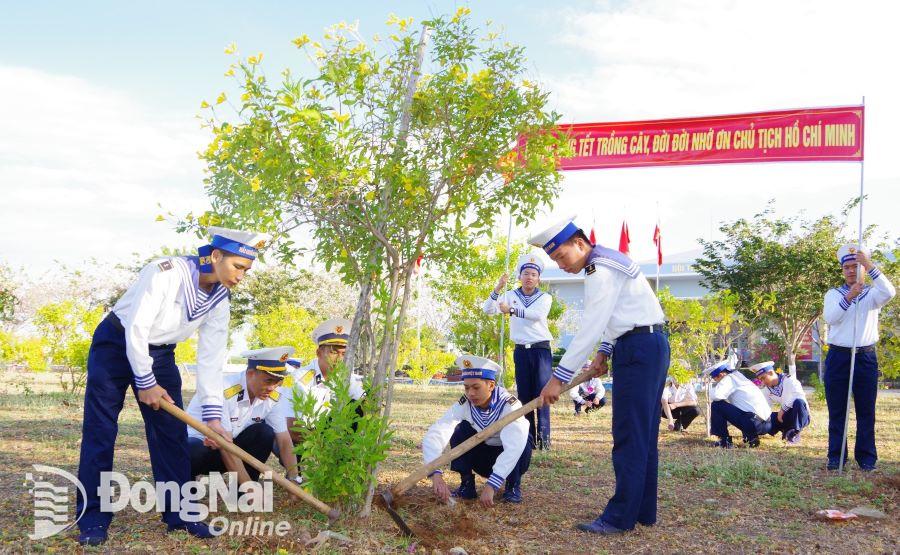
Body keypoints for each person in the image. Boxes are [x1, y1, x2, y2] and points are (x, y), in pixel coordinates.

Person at [75, 227, 267, 545]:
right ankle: (93, 517)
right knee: (100, 431)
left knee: (172, 437)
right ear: (216, 256)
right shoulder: (165, 272)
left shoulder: (220, 298)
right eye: (238, 266)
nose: (241, 276)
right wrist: (145, 382)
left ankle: (180, 515)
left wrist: (213, 418)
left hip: (162, 354)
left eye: (246, 270)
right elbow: (136, 327)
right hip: (115, 343)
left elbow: (210, 359)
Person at [532, 215, 669, 536]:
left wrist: (558, 378)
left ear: (579, 243)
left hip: (638, 349)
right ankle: (642, 512)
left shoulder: (599, 269)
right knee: (643, 436)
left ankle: (620, 517)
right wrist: (604, 353)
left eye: (562, 257)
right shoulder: (605, 261)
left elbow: (592, 324)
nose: (561, 265)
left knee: (629, 436)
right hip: (645, 344)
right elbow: (617, 316)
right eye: (554, 260)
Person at [822, 244, 895, 471]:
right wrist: (849, 297)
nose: (851, 271)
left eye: (856, 266)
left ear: (862, 268)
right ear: (842, 270)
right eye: (847, 267)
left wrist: (870, 266)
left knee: (866, 410)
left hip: (865, 357)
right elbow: (831, 317)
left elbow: (890, 292)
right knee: (837, 410)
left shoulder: (873, 295)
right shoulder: (833, 294)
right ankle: (837, 456)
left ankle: (866, 458)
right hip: (839, 356)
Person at [422, 355, 531, 505]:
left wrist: (492, 485)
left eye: (476, 387)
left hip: (511, 461)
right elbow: (438, 431)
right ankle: (467, 485)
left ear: (491, 385)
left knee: (523, 437)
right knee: (460, 430)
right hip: (483, 460)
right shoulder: (464, 404)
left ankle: (512, 486)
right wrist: (434, 472)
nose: (470, 393)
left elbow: (513, 448)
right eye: (466, 388)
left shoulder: (510, 406)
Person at [187, 347, 300, 485]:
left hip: (230, 449)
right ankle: (185, 487)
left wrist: (294, 478)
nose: (272, 388)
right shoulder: (223, 390)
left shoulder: (272, 396)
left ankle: (241, 493)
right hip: (202, 450)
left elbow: (284, 440)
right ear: (250, 374)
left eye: (278, 382)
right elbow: (226, 446)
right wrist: (250, 488)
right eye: (268, 381)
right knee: (193, 450)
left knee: (264, 433)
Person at [483, 253, 554, 449]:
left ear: (538, 278)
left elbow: (537, 315)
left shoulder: (544, 297)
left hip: (540, 350)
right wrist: (498, 288)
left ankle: (545, 440)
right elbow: (488, 309)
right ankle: (529, 440)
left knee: (543, 393)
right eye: (526, 273)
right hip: (521, 351)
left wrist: (512, 311)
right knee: (524, 396)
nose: (529, 277)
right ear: (520, 276)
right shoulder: (510, 295)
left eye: (533, 274)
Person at [284, 318, 364, 443]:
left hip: (332, 434)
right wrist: (324, 443)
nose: (339, 359)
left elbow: (362, 406)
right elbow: (292, 429)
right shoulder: (299, 378)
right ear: (319, 353)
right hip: (300, 436)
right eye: (333, 352)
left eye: (344, 354)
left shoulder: (348, 379)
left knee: (357, 406)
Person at [707, 361, 771, 448]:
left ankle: (724, 441)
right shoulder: (739, 376)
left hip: (754, 423)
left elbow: (716, 395)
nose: (717, 382)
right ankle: (751, 438)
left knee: (717, 405)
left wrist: (711, 391)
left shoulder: (729, 378)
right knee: (742, 407)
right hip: (766, 424)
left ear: (721, 374)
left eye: (716, 379)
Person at [751, 361, 810, 445]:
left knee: (798, 402)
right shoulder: (766, 389)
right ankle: (786, 430)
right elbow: (766, 407)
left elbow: (798, 395)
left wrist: (783, 410)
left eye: (763, 378)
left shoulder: (790, 380)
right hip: (785, 416)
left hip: (801, 414)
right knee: (767, 417)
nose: (763, 382)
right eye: (760, 380)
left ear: (771, 372)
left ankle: (794, 433)